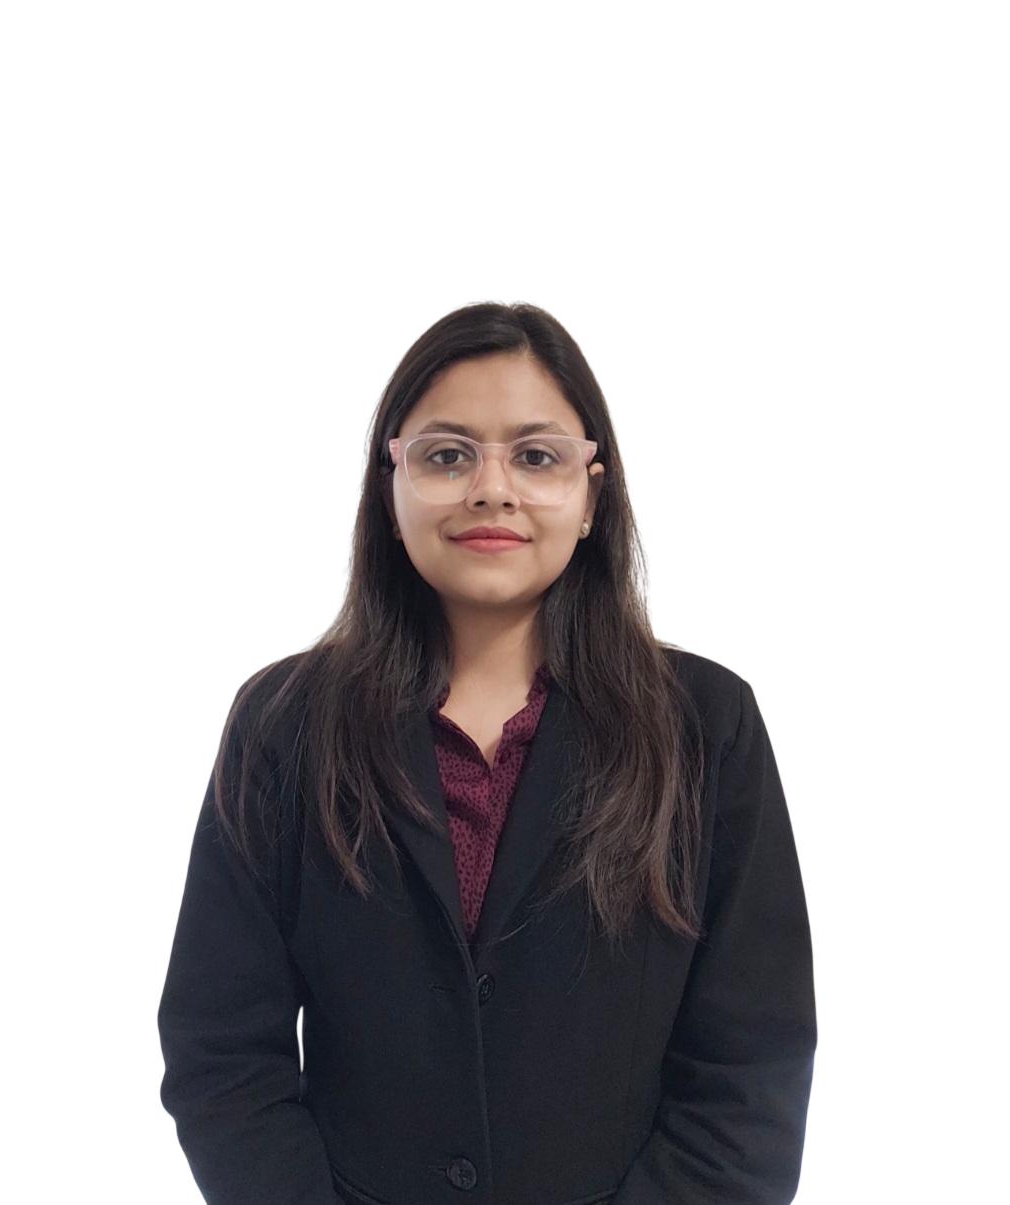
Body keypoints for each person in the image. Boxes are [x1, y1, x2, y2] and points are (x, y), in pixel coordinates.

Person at [156, 301, 817, 1205]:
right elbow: (222, 1050)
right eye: (446, 455)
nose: (491, 488)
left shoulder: (704, 724)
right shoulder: (283, 723)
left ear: (591, 498)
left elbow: (751, 1063)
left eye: (536, 456)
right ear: (389, 491)